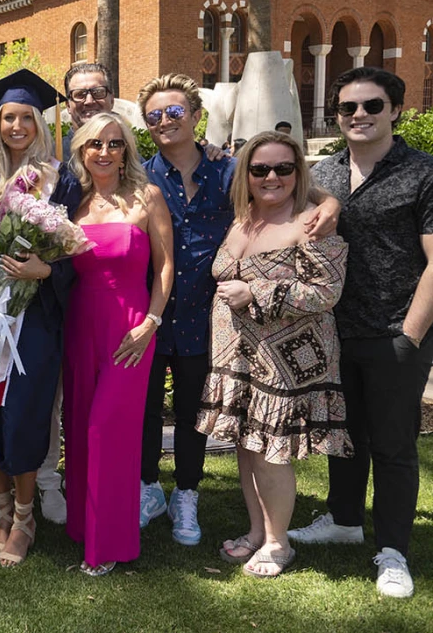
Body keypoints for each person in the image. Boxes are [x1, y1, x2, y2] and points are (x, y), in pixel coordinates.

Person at [136, 73, 339, 549]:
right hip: (151, 309)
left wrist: (329, 202)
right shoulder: (139, 175)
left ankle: (187, 493)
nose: (166, 121)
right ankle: (148, 490)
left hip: (210, 319)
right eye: (155, 116)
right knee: (145, 410)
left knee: (193, 411)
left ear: (195, 115)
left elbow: (297, 190)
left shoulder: (231, 172)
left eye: (175, 112)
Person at [289, 67, 433, 598]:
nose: (359, 116)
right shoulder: (323, 174)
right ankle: (345, 520)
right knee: (345, 439)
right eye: (348, 108)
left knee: (393, 445)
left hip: (396, 329)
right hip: (332, 330)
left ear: (395, 110)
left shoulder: (422, 172)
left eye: (372, 106)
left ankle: (393, 549)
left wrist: (411, 334)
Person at [197, 131, 351, 579]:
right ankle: (257, 531)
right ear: (246, 174)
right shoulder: (243, 218)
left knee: (270, 453)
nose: (271, 177)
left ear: (298, 173)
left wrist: (257, 290)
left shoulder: (311, 222)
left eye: (284, 168)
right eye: (260, 168)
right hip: (238, 358)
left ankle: (279, 543)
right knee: (247, 447)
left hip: (286, 360)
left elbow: (326, 292)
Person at [0, 68, 82, 567]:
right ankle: (4, 511)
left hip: (33, 316)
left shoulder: (59, 179)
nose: (16, 126)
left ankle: (26, 518)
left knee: (25, 411)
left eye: (25, 117)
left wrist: (45, 268)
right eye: (8, 117)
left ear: (39, 122)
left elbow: (75, 248)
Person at [63, 112, 173, 576]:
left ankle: (108, 544)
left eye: (114, 143)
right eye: (94, 144)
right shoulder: (74, 204)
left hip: (130, 329)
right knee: (81, 426)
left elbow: (167, 267)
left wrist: (151, 321)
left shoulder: (147, 198)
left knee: (109, 430)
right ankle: (87, 528)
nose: (104, 152)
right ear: (82, 152)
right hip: (81, 325)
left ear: (126, 149)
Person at [31, 63, 119, 524]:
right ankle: (49, 481)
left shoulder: (126, 152)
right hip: (56, 296)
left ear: (111, 94)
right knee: (52, 396)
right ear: (67, 102)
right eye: (78, 95)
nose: (88, 101)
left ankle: (103, 480)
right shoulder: (53, 157)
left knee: (99, 399)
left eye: (97, 92)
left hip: (108, 301)